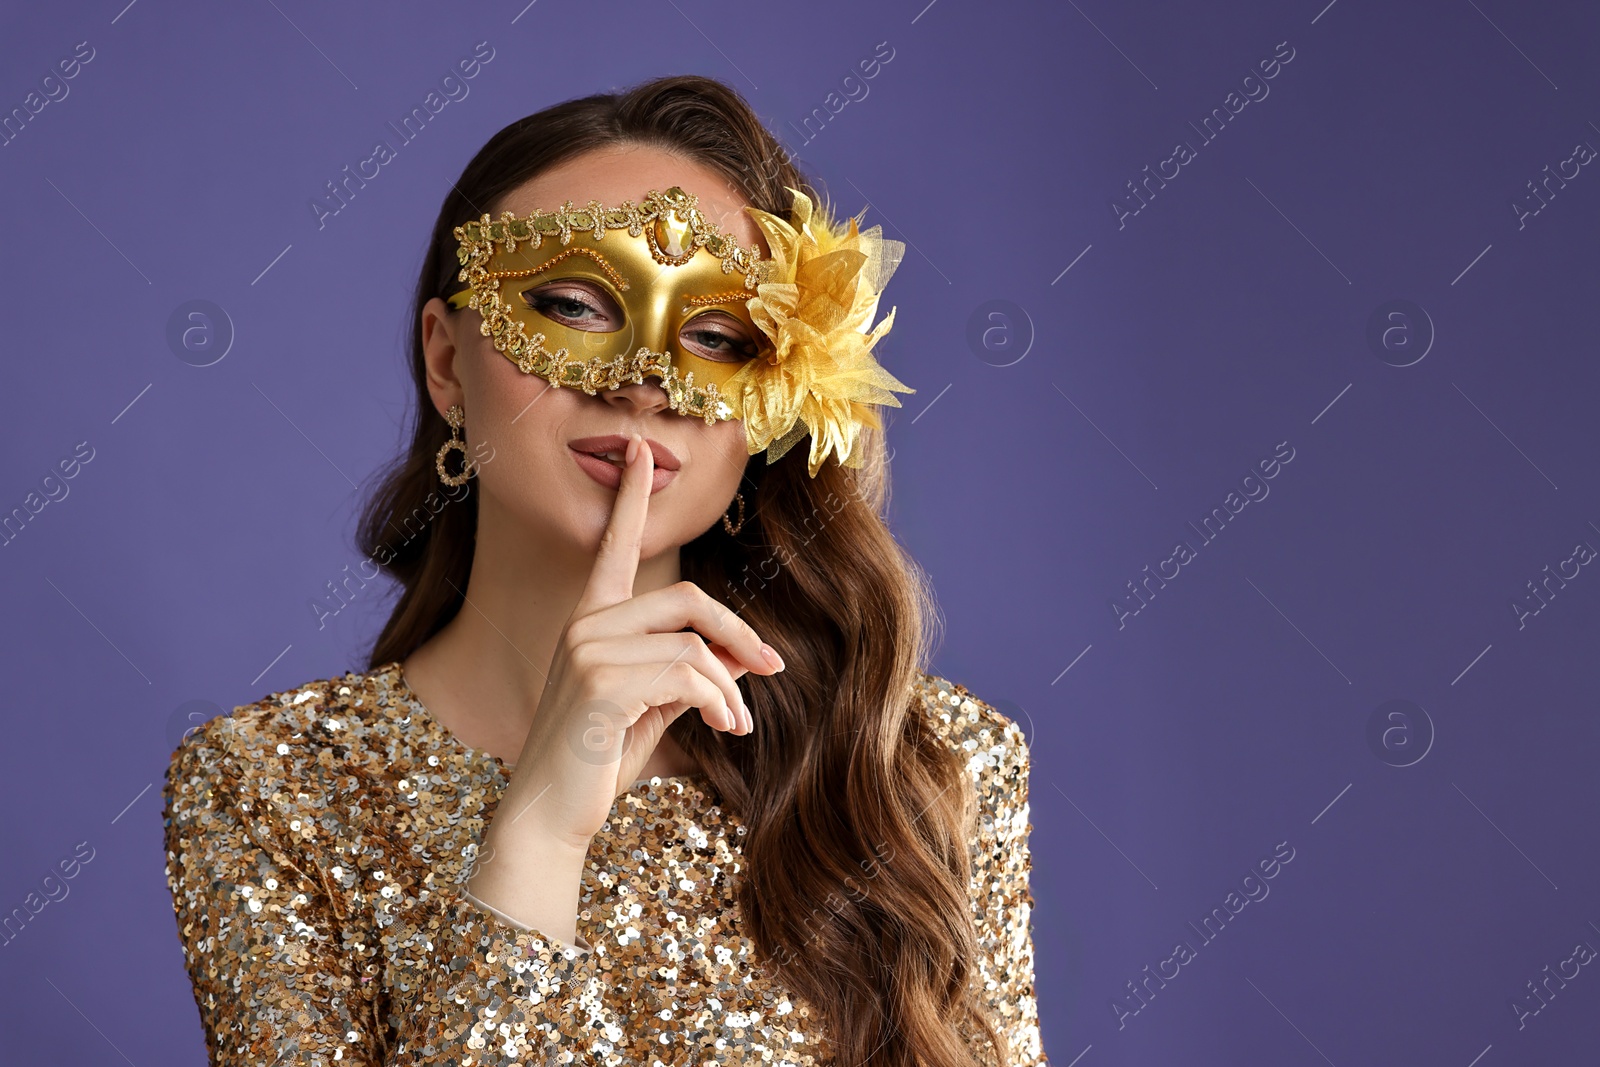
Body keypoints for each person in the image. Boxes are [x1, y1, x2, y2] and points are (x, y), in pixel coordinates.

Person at [161, 74, 1047, 1067]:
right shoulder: (277, 786)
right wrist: (535, 835)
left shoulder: (924, 764)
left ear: (773, 408)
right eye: (575, 305)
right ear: (447, 363)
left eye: (716, 336)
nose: (646, 378)